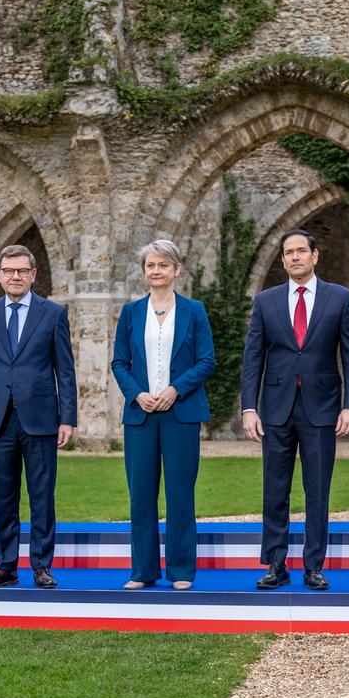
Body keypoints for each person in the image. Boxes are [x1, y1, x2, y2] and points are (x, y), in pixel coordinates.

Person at [240, 229, 349, 591]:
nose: (294, 257)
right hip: (275, 409)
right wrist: (249, 407)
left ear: (315, 256)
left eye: (300, 251)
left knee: (317, 490)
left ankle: (314, 565)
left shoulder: (340, 299)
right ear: (282, 260)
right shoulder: (266, 301)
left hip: (322, 409)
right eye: (288, 253)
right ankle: (275, 564)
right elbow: (253, 359)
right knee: (274, 490)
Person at [0, 244, 77, 589]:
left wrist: (67, 418)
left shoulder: (53, 313)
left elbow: (65, 370)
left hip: (41, 417)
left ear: (33, 274)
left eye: (22, 271)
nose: (16, 276)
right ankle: (6, 564)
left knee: (42, 494)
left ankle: (41, 565)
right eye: (9, 271)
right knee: (4, 495)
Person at [111, 241, 215, 590]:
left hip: (180, 413)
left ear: (176, 270)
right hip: (140, 414)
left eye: (163, 265)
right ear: (144, 272)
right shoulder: (130, 312)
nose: (156, 271)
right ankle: (142, 571)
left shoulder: (194, 310)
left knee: (180, 492)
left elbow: (206, 360)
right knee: (141, 494)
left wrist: (174, 390)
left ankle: (181, 570)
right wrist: (138, 394)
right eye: (150, 265)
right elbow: (120, 362)